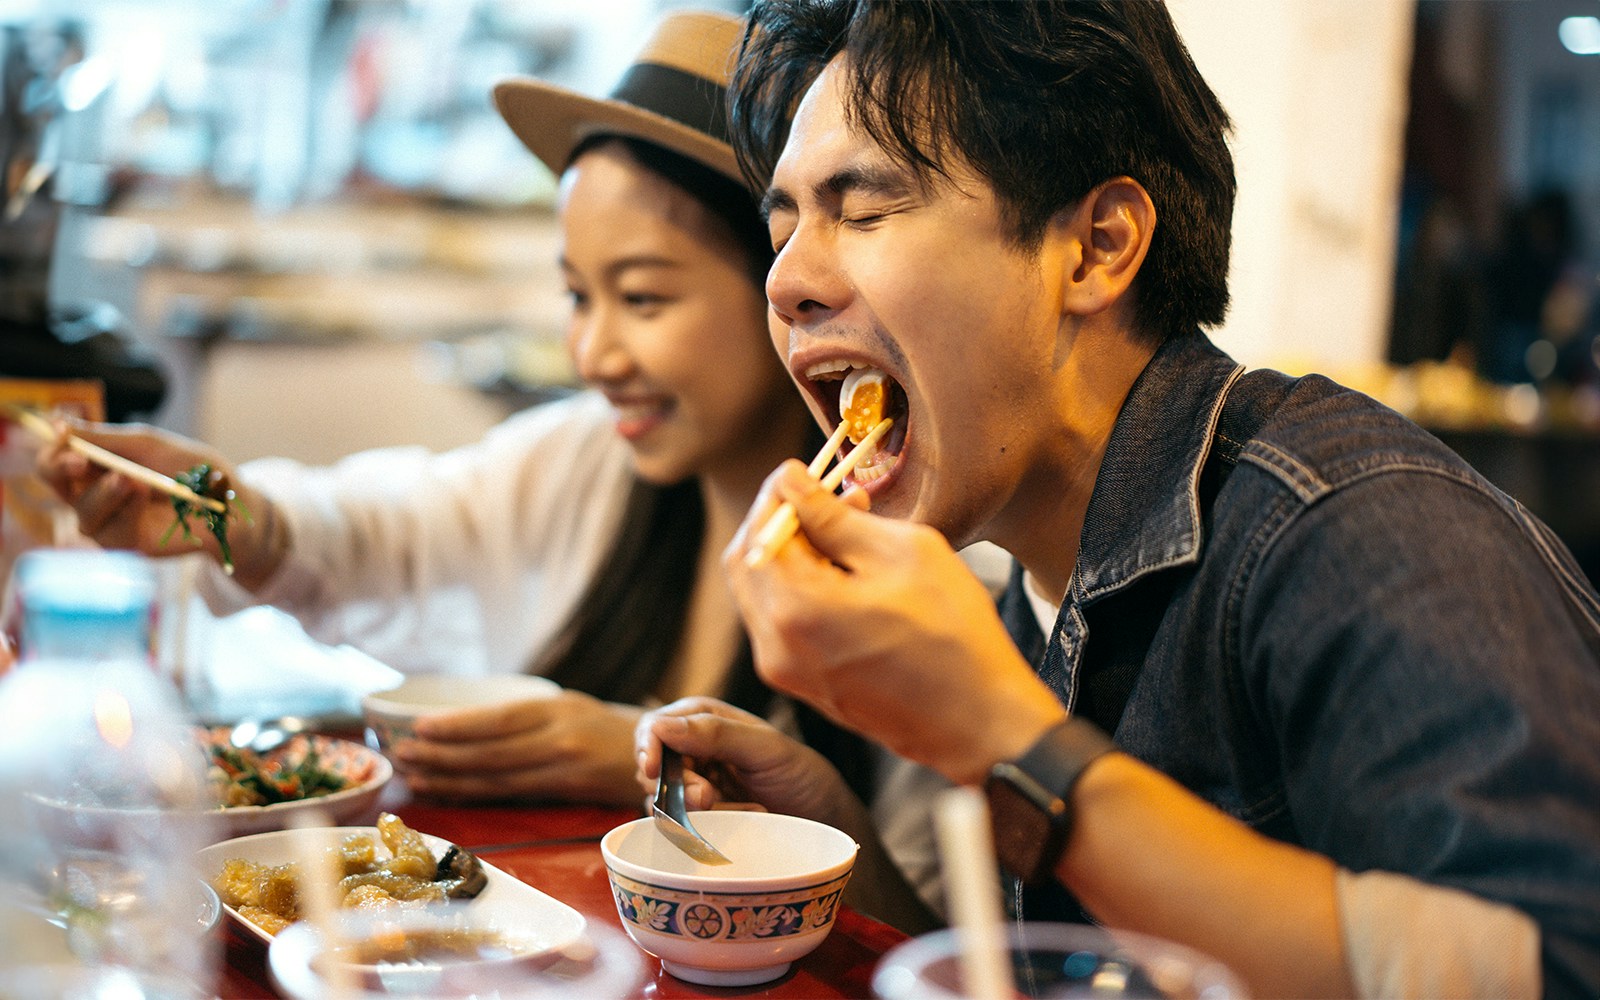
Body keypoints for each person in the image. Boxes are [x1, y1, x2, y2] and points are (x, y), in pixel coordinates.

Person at [634, 3, 1600, 998]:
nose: (786, 280)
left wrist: (1002, 737)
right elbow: (1078, 973)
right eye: (782, 228)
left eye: (866, 208)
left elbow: (1565, 963)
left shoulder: (1353, 529)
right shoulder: (1035, 574)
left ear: (1095, 248)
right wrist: (839, 834)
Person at [31, 11, 874, 814]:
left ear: (787, 285)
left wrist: (638, 761)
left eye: (643, 298)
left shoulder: (901, 548)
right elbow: (387, 529)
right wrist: (233, 515)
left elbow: (934, 918)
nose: (593, 354)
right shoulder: (583, 463)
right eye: (578, 296)